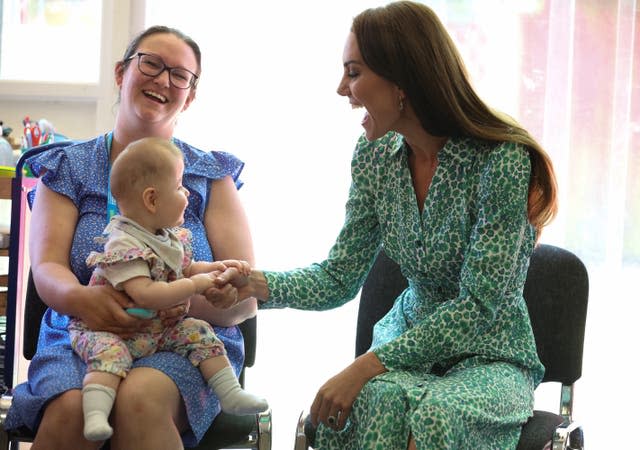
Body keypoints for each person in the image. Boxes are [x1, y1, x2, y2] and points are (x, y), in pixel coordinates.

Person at [218, 2, 558, 449]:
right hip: (403, 347)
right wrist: (253, 284)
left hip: (489, 356)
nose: (342, 88)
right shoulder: (374, 158)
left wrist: (365, 365)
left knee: (436, 416)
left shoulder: (503, 161)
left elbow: (477, 308)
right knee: (369, 402)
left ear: (402, 81)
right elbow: (339, 276)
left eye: (354, 72)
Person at [5, 26, 259, 450]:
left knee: (141, 399)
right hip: (85, 329)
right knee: (71, 409)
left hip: (184, 338)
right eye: (151, 64)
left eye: (180, 75)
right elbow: (47, 267)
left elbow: (247, 296)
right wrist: (83, 300)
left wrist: (174, 299)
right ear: (122, 73)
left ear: (190, 96)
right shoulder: (67, 165)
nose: (163, 80)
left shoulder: (210, 176)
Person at [71, 137, 267, 441]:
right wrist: (196, 285)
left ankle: (230, 393)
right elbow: (147, 294)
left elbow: (183, 269)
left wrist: (215, 268)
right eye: (179, 186)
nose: (186, 192)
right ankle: (96, 413)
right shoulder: (125, 243)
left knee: (198, 331)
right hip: (115, 331)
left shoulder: (166, 236)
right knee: (109, 358)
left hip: (157, 329)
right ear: (151, 200)